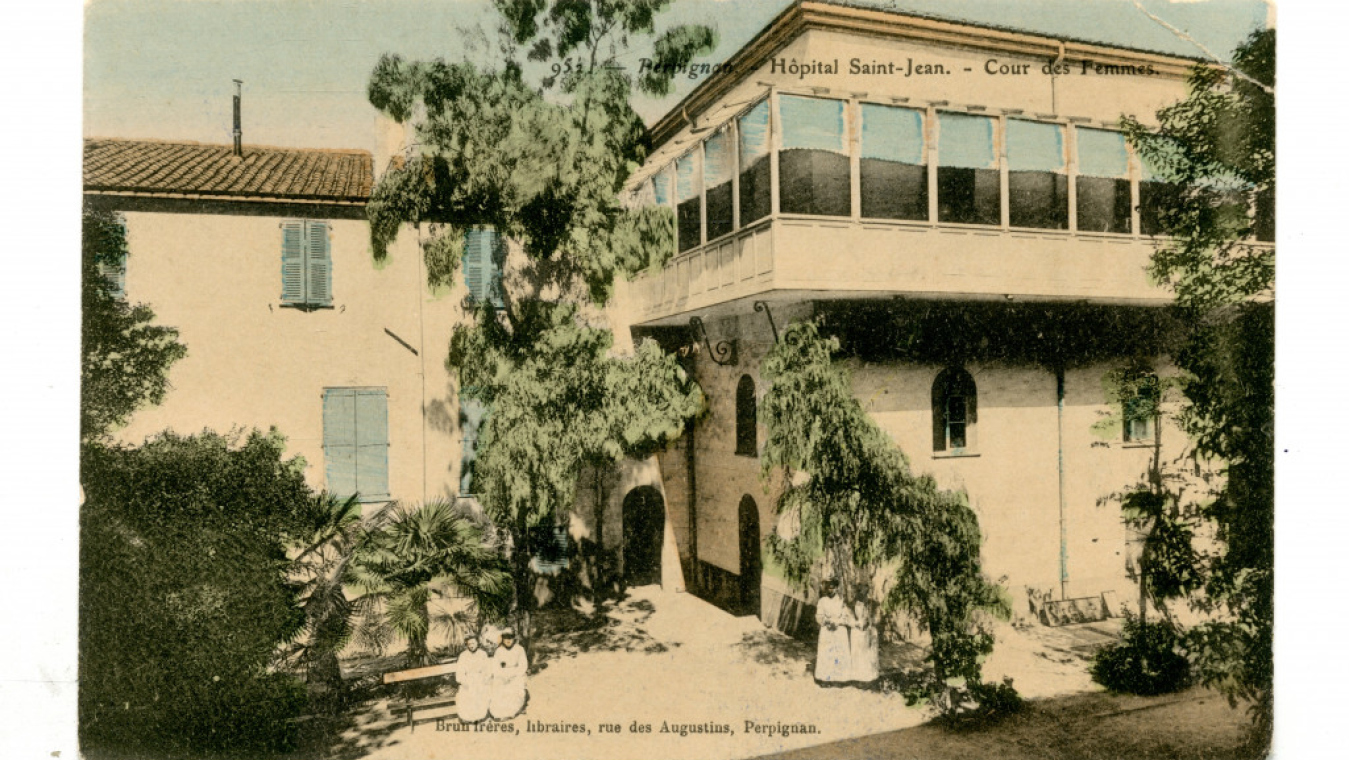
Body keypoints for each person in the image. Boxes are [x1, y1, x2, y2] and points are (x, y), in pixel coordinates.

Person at [814, 580, 853, 685]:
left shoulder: (841, 601)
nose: (831, 590)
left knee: (838, 653)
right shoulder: (822, 601)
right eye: (829, 588)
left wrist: (838, 622)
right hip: (827, 629)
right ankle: (825, 679)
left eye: (833, 587)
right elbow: (819, 615)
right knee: (827, 653)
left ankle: (840, 679)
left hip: (839, 630)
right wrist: (827, 621)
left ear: (837, 588)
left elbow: (846, 617)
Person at [488, 628, 528, 719]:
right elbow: (495, 667)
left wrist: (513, 675)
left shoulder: (520, 649)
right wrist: (503, 676)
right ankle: (498, 713)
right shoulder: (499, 651)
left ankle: (512, 711)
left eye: (510, 637)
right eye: (506, 638)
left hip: (516, 675)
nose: (508, 640)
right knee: (498, 689)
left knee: (515, 690)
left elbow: (523, 666)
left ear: (514, 638)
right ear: (503, 639)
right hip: (503, 675)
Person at [455, 635, 491, 723]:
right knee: (466, 694)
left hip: (480, 678)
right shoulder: (463, 655)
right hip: (468, 679)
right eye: (469, 643)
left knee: (482, 692)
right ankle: (469, 718)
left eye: (473, 643)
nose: (471, 645)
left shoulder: (483, 654)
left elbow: (487, 669)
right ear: (467, 644)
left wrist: (485, 679)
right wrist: (463, 681)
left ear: (477, 643)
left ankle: (480, 716)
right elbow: (460, 671)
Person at [849, 598, 880, 684]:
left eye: (866, 587)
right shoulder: (853, 603)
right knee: (858, 653)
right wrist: (857, 623)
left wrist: (869, 622)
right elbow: (849, 617)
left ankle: (870, 677)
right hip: (857, 630)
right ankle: (858, 678)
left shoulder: (873, 603)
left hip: (869, 630)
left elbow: (877, 618)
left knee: (869, 654)